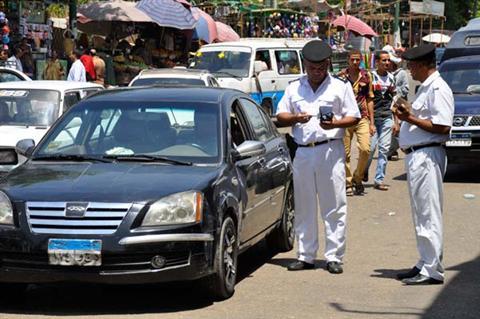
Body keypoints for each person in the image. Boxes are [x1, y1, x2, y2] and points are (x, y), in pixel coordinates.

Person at [276, 40, 360, 274]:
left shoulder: (340, 87)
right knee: (304, 205)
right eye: (313, 68)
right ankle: (305, 255)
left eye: (321, 68)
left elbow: (354, 117)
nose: (317, 72)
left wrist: (335, 122)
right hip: (303, 151)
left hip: (330, 149)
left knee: (333, 204)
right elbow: (281, 115)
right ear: (305, 65)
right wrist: (295, 119)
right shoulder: (294, 87)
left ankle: (334, 256)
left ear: (328, 64)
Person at [394, 44, 453, 285]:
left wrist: (410, 118)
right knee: (421, 213)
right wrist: (408, 115)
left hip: (427, 155)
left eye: (411, 66)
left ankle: (432, 269)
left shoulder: (438, 88)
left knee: (428, 213)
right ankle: (425, 261)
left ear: (421, 65)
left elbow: (442, 126)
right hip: (419, 155)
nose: (410, 70)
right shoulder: (426, 88)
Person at [337, 49, 374, 196]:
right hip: (345, 118)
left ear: (361, 60)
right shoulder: (340, 77)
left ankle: (357, 177)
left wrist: (372, 122)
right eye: (352, 59)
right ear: (348, 60)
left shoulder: (366, 76)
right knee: (345, 154)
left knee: (365, 149)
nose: (355, 62)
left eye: (357, 60)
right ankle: (348, 182)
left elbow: (370, 99)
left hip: (362, 117)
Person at [364, 50, 396, 190]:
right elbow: (367, 99)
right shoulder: (371, 77)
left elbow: (394, 101)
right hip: (373, 117)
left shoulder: (391, 78)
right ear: (377, 62)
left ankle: (379, 180)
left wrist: (396, 121)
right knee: (369, 149)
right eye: (384, 60)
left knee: (384, 150)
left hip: (387, 117)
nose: (387, 63)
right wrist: (370, 122)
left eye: (388, 60)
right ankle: (363, 171)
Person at [388, 52, 409, 161]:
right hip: (388, 104)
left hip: (399, 104)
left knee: (398, 127)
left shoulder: (402, 73)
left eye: (389, 62)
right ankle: (392, 150)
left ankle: (400, 147)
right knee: (391, 126)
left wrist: (396, 91)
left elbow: (406, 89)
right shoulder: (386, 74)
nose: (387, 63)